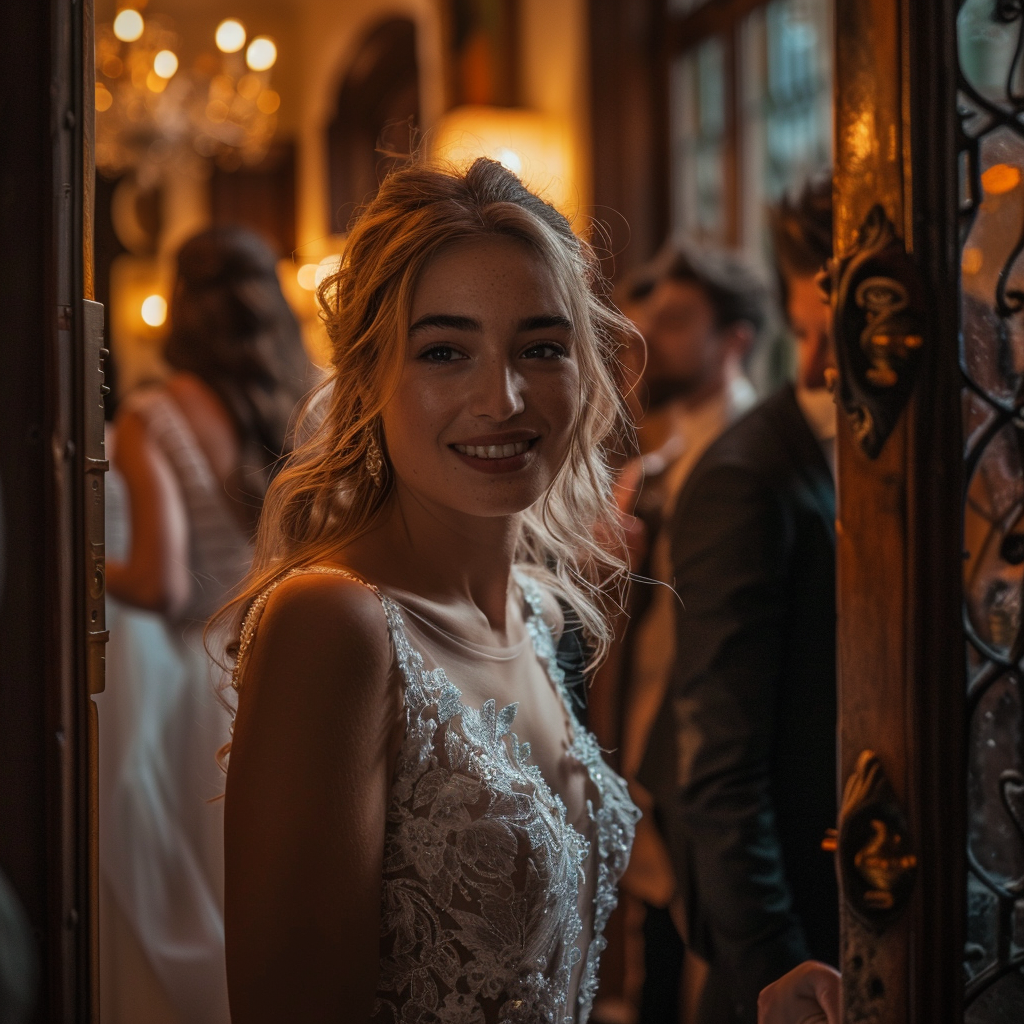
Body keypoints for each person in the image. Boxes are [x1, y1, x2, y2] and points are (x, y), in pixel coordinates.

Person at [214, 157, 642, 1023]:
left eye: (541, 348)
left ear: (586, 369)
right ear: (369, 379)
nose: (503, 397)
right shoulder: (335, 625)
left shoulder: (538, 611)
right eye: (445, 351)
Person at [98, 226, 313, 1024]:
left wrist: (79, 566)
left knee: (212, 897)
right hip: (297, 662)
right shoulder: (310, 400)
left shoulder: (157, 416)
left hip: (203, 687)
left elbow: (156, 580)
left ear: (182, 305)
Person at [637, 175, 839, 1024]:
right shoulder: (741, 477)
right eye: (803, 333)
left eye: (838, 333)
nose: (819, 365)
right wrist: (771, 965)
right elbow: (721, 767)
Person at [590, 244, 769, 1024]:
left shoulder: (742, 460)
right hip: (646, 741)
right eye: (646, 318)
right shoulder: (660, 458)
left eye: (674, 322)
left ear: (735, 339)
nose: (646, 336)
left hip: (705, 757)